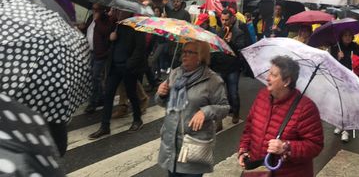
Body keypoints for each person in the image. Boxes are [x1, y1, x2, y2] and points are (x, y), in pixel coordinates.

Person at [238, 56, 324, 177]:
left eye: (273, 75)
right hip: (259, 170)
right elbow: (249, 127)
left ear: (287, 81)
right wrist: (244, 150)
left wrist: (286, 147)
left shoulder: (306, 108)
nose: (268, 78)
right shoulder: (262, 96)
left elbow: (315, 145)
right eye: (269, 73)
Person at [156, 41, 230, 177]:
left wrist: (205, 112)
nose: (184, 55)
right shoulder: (175, 74)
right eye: (183, 52)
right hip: (171, 143)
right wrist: (161, 94)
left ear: (201, 56)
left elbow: (224, 108)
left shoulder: (212, 80)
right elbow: (165, 104)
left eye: (189, 52)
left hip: (193, 145)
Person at [88, 9, 146, 139]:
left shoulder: (137, 26)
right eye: (118, 10)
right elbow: (110, 43)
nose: (118, 12)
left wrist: (129, 64)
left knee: (132, 95)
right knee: (108, 95)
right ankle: (104, 127)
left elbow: (140, 49)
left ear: (129, 12)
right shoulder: (117, 25)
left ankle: (137, 120)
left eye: (122, 11)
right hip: (114, 67)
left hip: (128, 68)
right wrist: (111, 38)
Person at [330, 29, 359, 142]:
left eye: (349, 35)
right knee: (339, 104)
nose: (347, 37)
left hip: (352, 79)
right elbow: (330, 64)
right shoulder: (336, 48)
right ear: (341, 37)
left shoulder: (356, 48)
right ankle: (340, 124)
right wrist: (337, 58)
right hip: (339, 79)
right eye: (345, 35)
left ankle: (346, 130)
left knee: (348, 105)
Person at [214, 9, 246, 124]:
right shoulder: (219, 32)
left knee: (233, 92)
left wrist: (231, 42)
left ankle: (236, 113)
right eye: (222, 19)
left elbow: (240, 50)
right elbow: (216, 49)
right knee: (220, 93)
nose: (224, 22)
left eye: (226, 19)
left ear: (232, 18)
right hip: (221, 67)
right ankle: (221, 117)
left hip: (233, 68)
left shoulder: (238, 32)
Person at [83, 3, 115, 114]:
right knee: (94, 77)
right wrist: (83, 26)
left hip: (100, 54)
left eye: (96, 9)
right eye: (93, 9)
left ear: (102, 10)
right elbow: (88, 30)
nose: (94, 11)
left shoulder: (105, 19)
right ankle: (101, 98)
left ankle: (93, 102)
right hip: (90, 52)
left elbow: (106, 32)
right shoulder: (91, 17)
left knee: (95, 77)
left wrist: (97, 20)